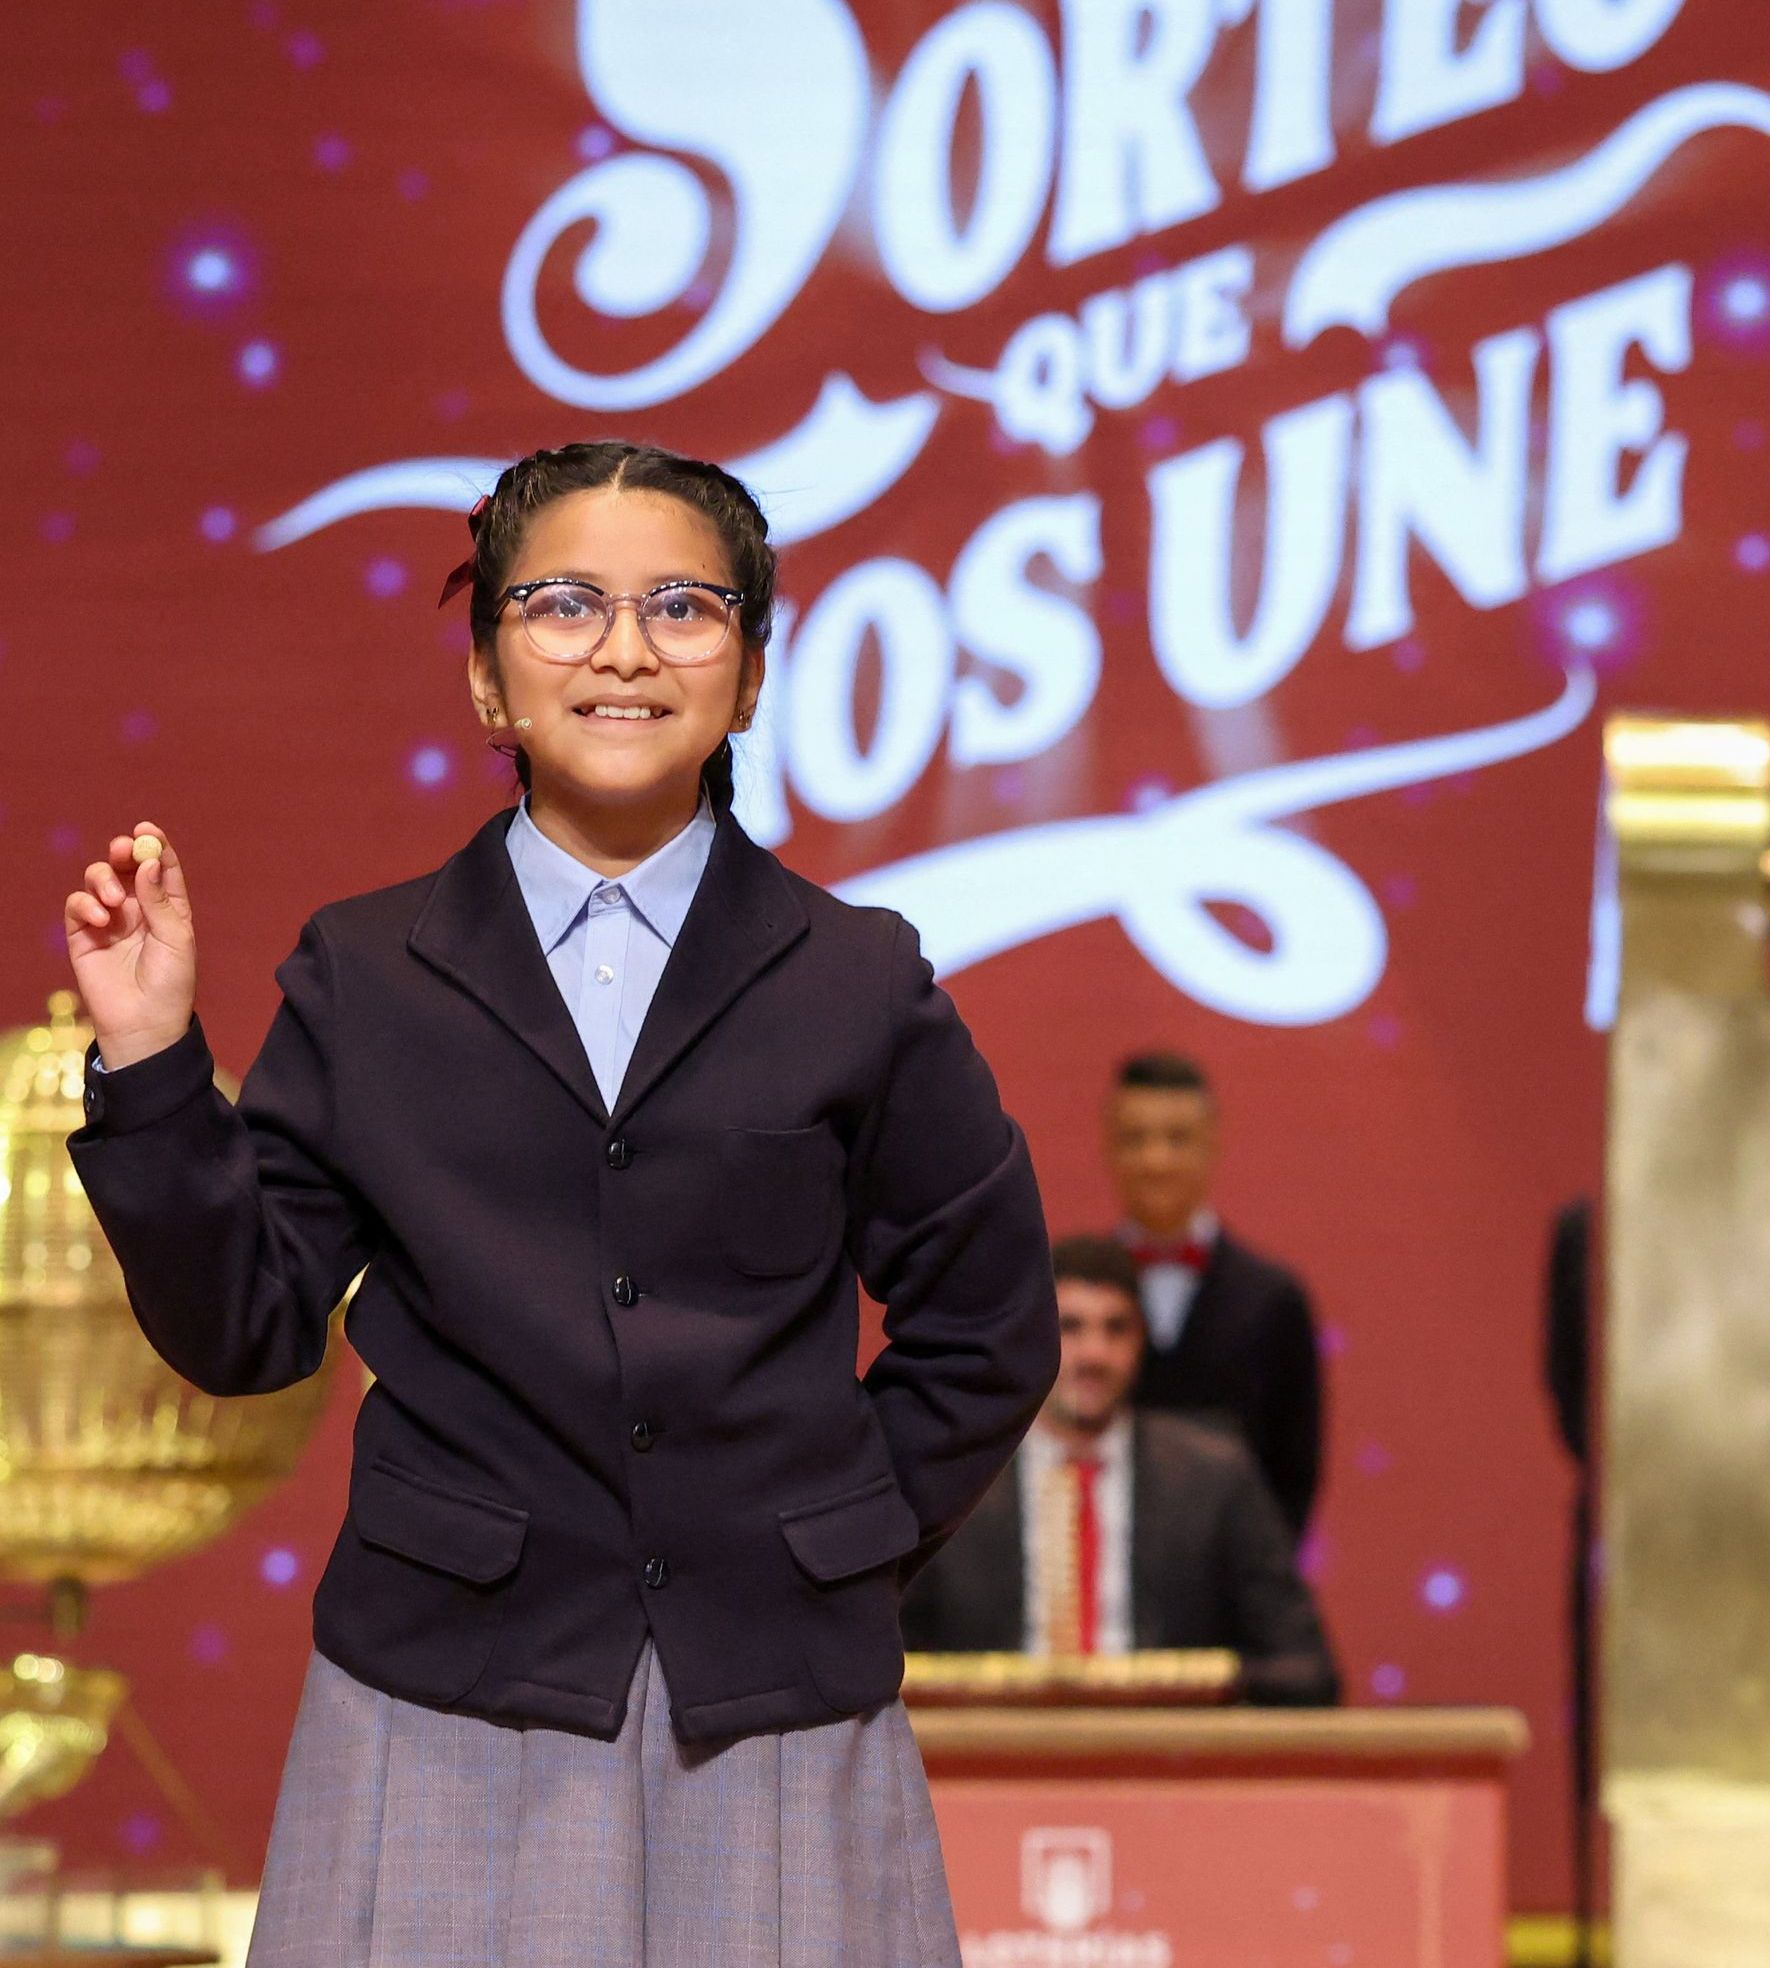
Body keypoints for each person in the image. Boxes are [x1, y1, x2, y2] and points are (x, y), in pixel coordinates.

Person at [60, 442, 1056, 1968]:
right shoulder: (367, 974)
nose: (625, 651)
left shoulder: (859, 977)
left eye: (683, 608)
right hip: (443, 1693)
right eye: (567, 604)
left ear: (750, 676)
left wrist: (829, 1544)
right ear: (486, 678)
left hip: (774, 1699)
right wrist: (150, 1063)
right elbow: (245, 1330)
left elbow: (988, 1327)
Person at [1543, 1191, 1770, 1799]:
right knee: (1621, 1784)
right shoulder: (1589, 1234)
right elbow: (1577, 1406)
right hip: (1629, 1562)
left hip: (1766, 1563)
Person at [901, 1237, 1342, 1706]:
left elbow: (1306, 1669)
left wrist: (1189, 1686)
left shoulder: (1215, 1478)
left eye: (1116, 1329)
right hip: (992, 1745)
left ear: (1141, 1341)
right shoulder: (955, 1480)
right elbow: (886, 1662)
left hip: (1165, 1745)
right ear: (1027, 1339)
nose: (1095, 1354)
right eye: (1070, 1328)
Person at [1105, 1050, 1327, 1538]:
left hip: (1232, 1574)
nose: (1156, 1161)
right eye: (1135, 1138)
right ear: (1108, 1145)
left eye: (1177, 1138)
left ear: (1213, 1142)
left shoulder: (1273, 1300)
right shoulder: (1067, 1294)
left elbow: (1294, 1476)